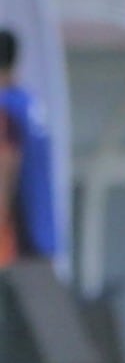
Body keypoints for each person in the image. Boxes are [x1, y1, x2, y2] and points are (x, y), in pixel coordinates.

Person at [0, 30, 56, 264]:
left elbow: (6, 163)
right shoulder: (29, 103)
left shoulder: (4, 108)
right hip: (42, 234)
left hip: (15, 242)